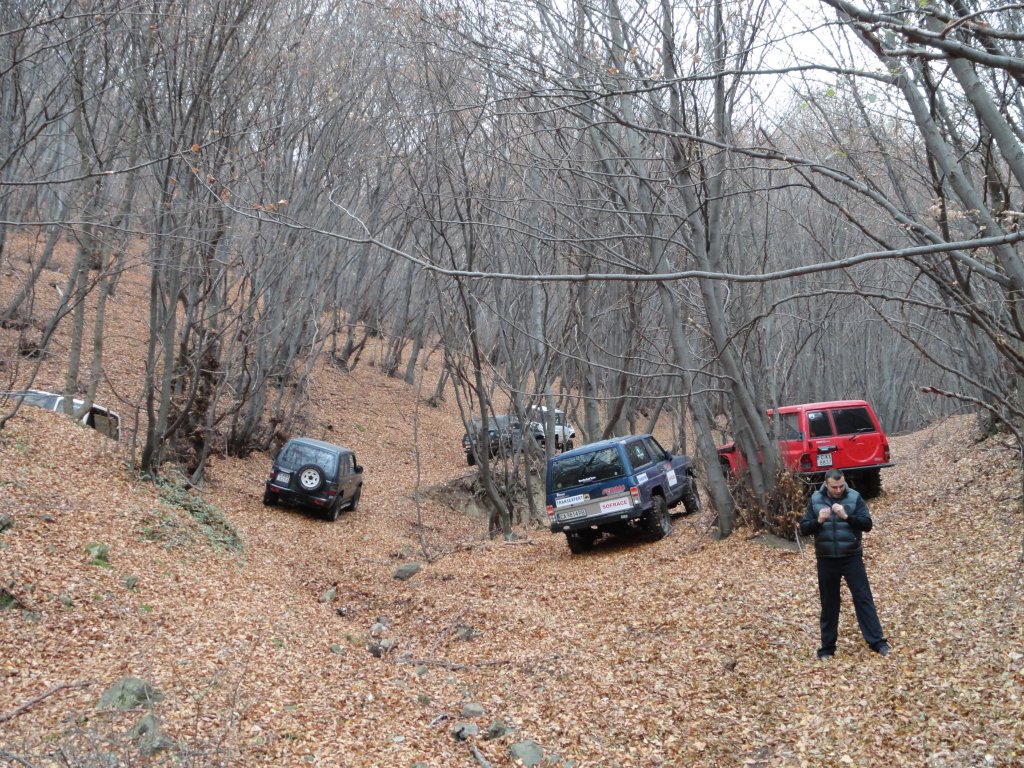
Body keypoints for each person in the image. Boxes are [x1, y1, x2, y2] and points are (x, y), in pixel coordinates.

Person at [799, 468, 889, 659]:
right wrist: (819, 520)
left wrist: (847, 517)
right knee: (829, 603)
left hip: (851, 557)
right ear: (826, 484)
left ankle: (877, 642)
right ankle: (827, 648)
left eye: (841, 486)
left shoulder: (854, 497)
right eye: (834, 487)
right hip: (826, 559)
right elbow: (804, 529)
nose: (839, 490)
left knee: (863, 598)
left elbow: (867, 525)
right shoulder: (815, 500)